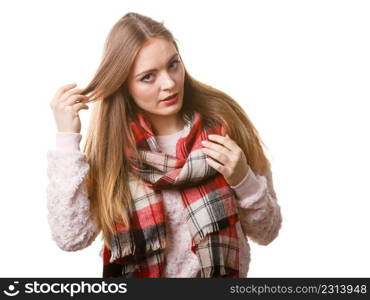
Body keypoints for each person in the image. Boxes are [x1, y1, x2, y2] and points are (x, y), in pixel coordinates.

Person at [47, 12, 282, 278]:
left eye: (173, 64)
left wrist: (243, 180)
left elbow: (267, 232)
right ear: (123, 84)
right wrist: (67, 139)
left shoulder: (225, 124)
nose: (169, 83)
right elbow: (71, 237)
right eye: (148, 77)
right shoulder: (112, 152)